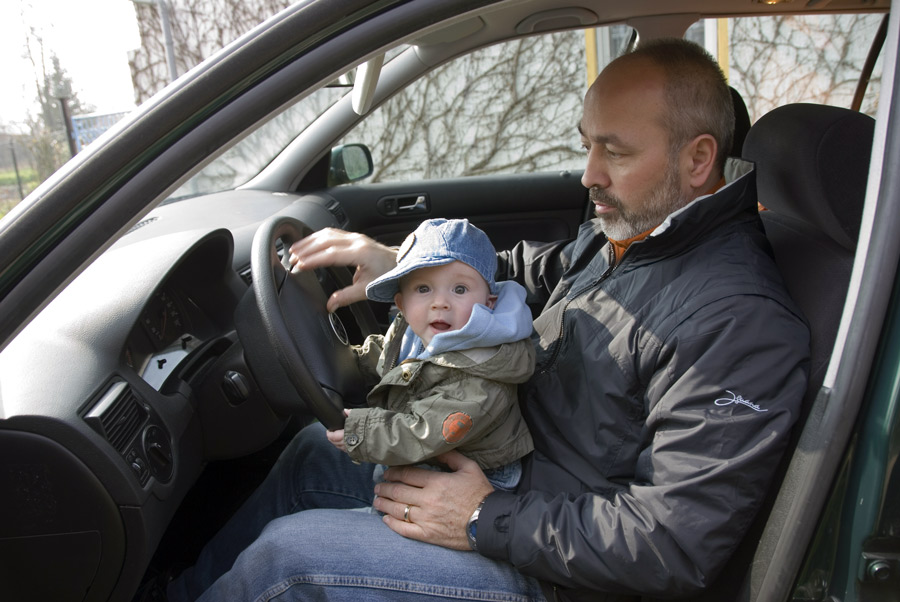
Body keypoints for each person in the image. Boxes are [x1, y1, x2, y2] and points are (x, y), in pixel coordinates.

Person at [165, 38, 810, 601]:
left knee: (289, 561)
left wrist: (482, 517)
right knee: (312, 454)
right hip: (508, 465)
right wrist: (406, 265)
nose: (589, 176)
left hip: (559, 571)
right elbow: (532, 273)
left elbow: (675, 542)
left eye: (613, 152)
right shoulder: (633, 236)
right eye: (587, 146)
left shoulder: (738, 323)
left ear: (698, 161)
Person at [329, 217, 534, 493]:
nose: (440, 302)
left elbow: (421, 431)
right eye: (423, 289)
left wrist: (361, 433)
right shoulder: (417, 329)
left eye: (459, 289)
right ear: (401, 303)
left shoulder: (483, 371)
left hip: (474, 476)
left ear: (489, 303)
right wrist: (349, 360)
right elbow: (395, 358)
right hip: (424, 450)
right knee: (306, 444)